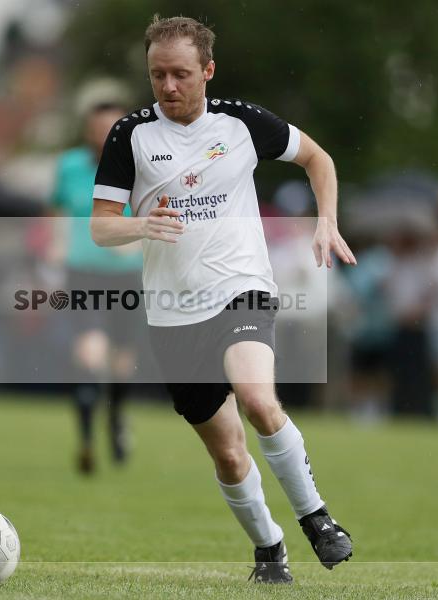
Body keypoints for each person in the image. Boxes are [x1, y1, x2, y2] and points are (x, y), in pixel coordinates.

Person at [90, 15, 357, 584]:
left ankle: (317, 518)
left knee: (259, 399)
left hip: (242, 290)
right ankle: (269, 547)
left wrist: (325, 221)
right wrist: (141, 225)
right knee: (230, 454)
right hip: (172, 313)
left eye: (181, 74)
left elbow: (319, 159)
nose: (168, 86)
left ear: (207, 71)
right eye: (157, 75)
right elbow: (100, 228)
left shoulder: (241, 123)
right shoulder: (130, 135)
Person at [51, 101, 143, 474]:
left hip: (126, 273)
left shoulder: (138, 164)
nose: (103, 136)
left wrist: (138, 240)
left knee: (121, 361)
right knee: (89, 353)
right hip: (83, 271)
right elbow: (57, 210)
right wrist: (55, 245)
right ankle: (86, 440)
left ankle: (116, 419)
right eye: (97, 128)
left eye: (111, 128)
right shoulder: (70, 166)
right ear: (87, 131)